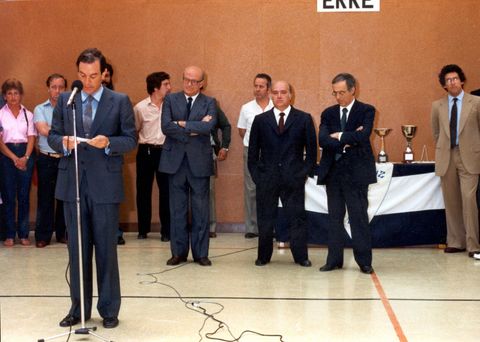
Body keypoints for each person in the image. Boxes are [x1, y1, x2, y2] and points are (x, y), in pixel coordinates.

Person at [48, 48, 136, 328]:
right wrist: (63, 142)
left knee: (106, 250)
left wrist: (108, 142)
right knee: (77, 249)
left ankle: (109, 310)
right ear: (77, 74)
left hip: (105, 185)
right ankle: (79, 309)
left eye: (94, 76)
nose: (88, 81)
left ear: (104, 74)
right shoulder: (66, 99)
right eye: (83, 76)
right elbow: (52, 135)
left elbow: (130, 140)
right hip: (72, 183)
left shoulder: (119, 101)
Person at [248, 80, 316, 267]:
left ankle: (301, 256)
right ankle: (263, 256)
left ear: (290, 95)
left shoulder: (303, 118)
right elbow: (252, 154)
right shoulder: (260, 120)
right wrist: (257, 176)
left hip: (293, 178)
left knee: (297, 219)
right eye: (275, 92)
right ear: (270, 94)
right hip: (267, 178)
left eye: (283, 92)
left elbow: (311, 153)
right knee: (265, 219)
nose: (279, 96)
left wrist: (302, 173)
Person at [317, 73, 376, 274]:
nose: (338, 97)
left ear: (353, 90)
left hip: (357, 173)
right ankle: (334, 260)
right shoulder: (328, 113)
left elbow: (363, 135)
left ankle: (364, 261)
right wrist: (349, 138)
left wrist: (339, 135)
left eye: (342, 92)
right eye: (335, 93)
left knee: (358, 217)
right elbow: (323, 140)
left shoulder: (366, 110)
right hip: (333, 172)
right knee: (334, 217)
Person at [159, 65, 217, 266]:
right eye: (186, 79)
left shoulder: (210, 102)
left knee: (201, 210)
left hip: (199, 163)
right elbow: (166, 126)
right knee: (177, 210)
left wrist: (181, 124)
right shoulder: (170, 99)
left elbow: (208, 126)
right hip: (174, 163)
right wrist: (193, 127)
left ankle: (201, 254)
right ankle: (179, 252)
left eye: (194, 81)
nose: (189, 84)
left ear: (202, 83)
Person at [431, 64, 480, 258]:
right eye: (448, 80)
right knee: (451, 201)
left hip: (469, 156)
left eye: (455, 79)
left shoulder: (476, 102)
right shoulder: (437, 106)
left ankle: (473, 245)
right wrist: (444, 149)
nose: (452, 82)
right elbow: (436, 133)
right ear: (444, 85)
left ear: (462, 80)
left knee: (469, 201)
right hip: (447, 156)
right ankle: (456, 241)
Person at [134, 71, 171, 241]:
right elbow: (135, 130)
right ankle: (142, 229)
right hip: (145, 151)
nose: (169, 88)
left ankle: (166, 231)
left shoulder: (170, 106)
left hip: (165, 152)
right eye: (166, 85)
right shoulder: (140, 108)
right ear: (156, 88)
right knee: (143, 191)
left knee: (166, 192)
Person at [0, 79, 36, 247]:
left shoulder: (28, 115)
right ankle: (8, 234)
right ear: (4, 96)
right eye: (9, 93)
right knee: (8, 197)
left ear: (21, 95)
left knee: (23, 196)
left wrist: (26, 158)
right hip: (6, 155)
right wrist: (14, 158)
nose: (13, 97)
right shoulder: (0, 114)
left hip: (26, 154)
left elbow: (31, 138)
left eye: (16, 93)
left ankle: (23, 234)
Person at [33, 74, 68, 248]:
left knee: (64, 198)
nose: (57, 91)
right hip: (46, 159)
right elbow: (43, 129)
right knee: (45, 198)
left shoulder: (70, 109)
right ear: (48, 88)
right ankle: (43, 236)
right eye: (54, 87)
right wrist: (62, 133)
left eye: (61, 87)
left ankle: (62, 233)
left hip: (65, 159)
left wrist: (55, 131)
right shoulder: (40, 108)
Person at [238, 74, 273, 239]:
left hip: (272, 153)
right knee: (251, 189)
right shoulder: (246, 108)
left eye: (261, 86)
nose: (257, 89)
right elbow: (242, 131)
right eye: (255, 86)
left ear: (268, 89)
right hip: (251, 152)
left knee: (271, 189)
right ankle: (252, 227)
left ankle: (271, 226)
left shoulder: (276, 106)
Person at [209, 105, 231, 238]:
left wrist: (224, 147)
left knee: (209, 190)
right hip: (185, 151)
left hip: (207, 151)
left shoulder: (211, 105)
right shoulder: (179, 103)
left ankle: (210, 227)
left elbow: (226, 126)